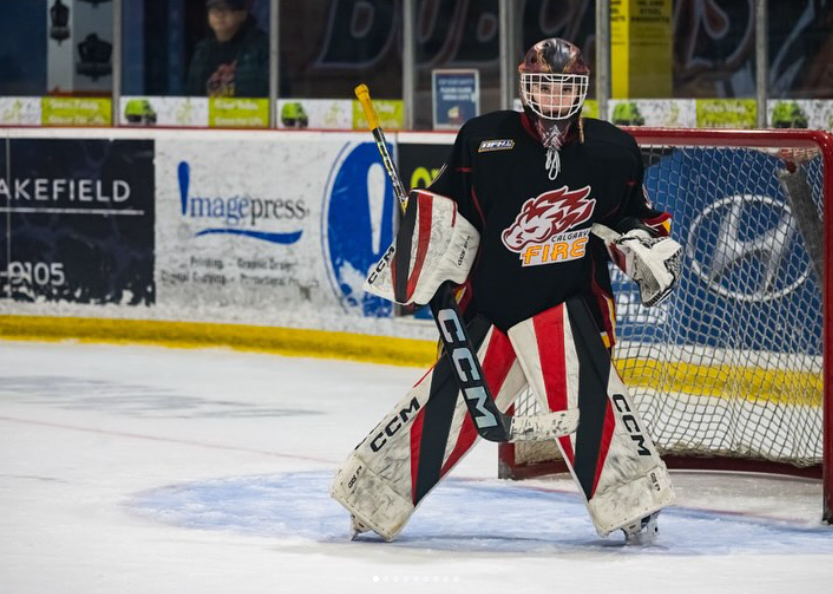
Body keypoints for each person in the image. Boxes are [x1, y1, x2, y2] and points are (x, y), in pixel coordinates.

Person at [331, 39, 682, 544]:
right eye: (544, 85)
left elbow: (636, 217)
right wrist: (422, 231)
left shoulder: (612, 150)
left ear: (583, 90)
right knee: (444, 406)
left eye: (566, 88)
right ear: (525, 85)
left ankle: (633, 507)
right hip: (491, 304)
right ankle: (371, 497)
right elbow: (449, 211)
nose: (555, 98)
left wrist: (643, 244)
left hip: (566, 303)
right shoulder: (483, 140)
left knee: (590, 406)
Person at [185, 0, 269, 98]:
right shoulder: (203, 50)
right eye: (214, 8)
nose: (220, 14)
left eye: (227, 8)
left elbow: (277, 91)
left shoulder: (262, 47)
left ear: (243, 14)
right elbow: (192, 96)